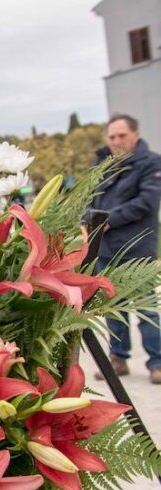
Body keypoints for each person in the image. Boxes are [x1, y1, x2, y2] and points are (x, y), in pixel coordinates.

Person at [87, 113, 161, 385]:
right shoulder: (101, 166)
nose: (117, 141)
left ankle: (157, 362)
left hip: (137, 249)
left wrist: (107, 220)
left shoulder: (151, 163)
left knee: (146, 309)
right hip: (106, 249)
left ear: (135, 135)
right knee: (112, 308)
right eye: (112, 136)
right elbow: (87, 200)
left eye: (122, 135)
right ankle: (118, 358)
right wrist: (88, 218)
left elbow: (147, 202)